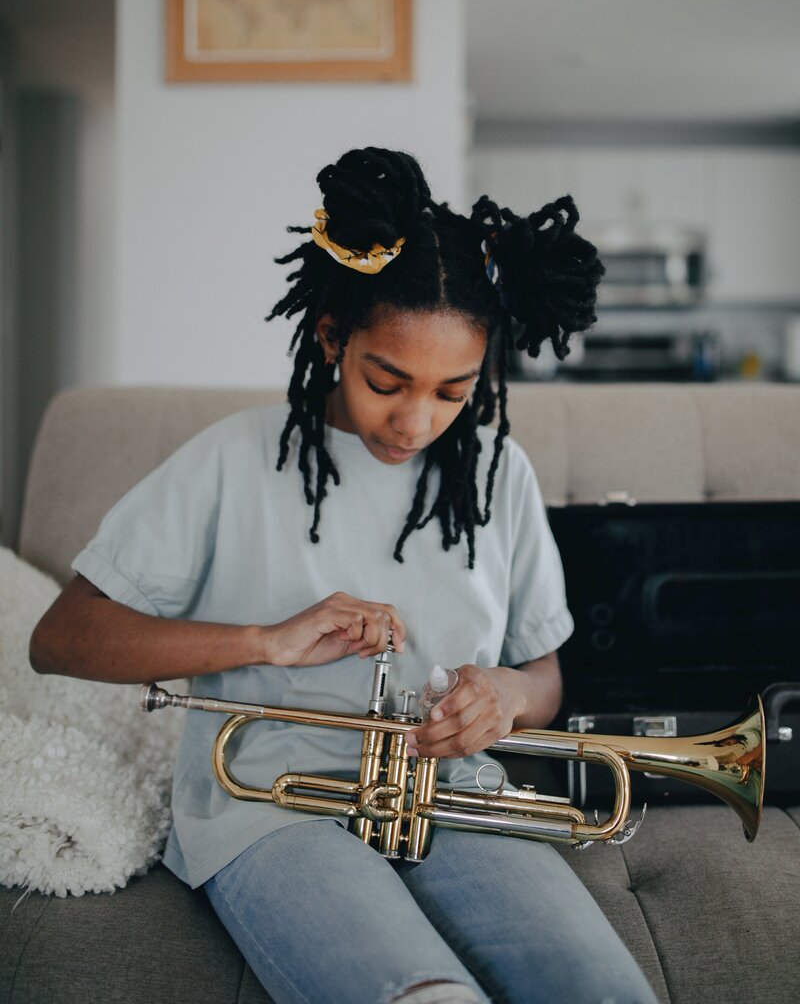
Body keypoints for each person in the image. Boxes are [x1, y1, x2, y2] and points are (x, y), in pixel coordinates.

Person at [30, 148, 657, 1004]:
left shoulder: (499, 473)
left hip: (454, 791)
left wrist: (506, 697)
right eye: (386, 380)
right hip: (268, 806)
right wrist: (263, 641)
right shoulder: (231, 458)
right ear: (332, 336)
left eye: (452, 392)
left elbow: (543, 676)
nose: (414, 420)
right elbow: (60, 638)